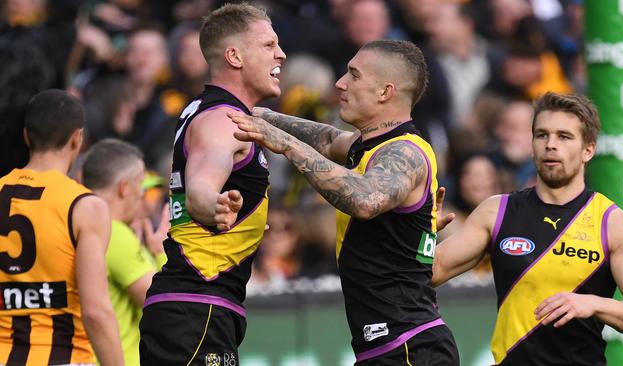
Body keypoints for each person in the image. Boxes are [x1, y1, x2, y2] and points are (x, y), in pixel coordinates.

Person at [229, 39, 459, 365]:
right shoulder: (368, 146)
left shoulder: (405, 152)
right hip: (390, 347)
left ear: (385, 92)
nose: (340, 83)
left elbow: (364, 200)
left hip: (409, 348)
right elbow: (327, 139)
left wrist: (284, 144)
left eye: (354, 75)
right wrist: (263, 116)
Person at [430, 92, 623, 365]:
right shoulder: (497, 211)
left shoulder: (612, 222)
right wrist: (418, 230)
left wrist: (593, 303)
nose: (550, 145)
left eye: (564, 137)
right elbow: (431, 271)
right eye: (542, 135)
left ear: (588, 150)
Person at [138, 3, 285, 365]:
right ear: (234, 55)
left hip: (192, 309)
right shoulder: (223, 121)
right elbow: (201, 186)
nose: (280, 53)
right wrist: (211, 205)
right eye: (268, 45)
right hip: (196, 307)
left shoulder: (210, 111)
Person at [0, 90, 123, 365]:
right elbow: (96, 311)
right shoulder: (84, 206)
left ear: (26, 136)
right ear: (77, 139)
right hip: (62, 357)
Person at [82, 139, 168, 365]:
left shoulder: (80, 226)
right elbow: (163, 305)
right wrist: (162, 253)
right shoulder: (115, 233)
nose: (141, 197)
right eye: (140, 187)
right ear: (124, 187)